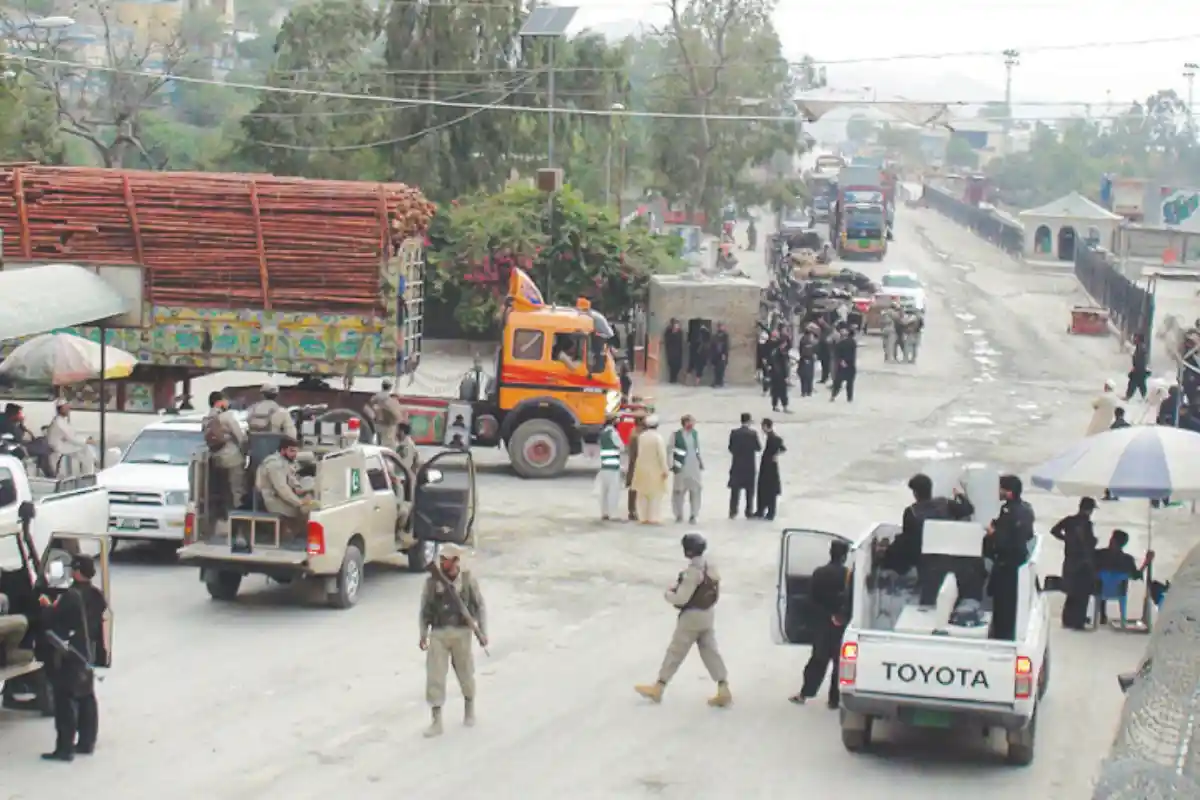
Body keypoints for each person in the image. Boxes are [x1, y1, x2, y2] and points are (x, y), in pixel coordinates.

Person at [634, 533, 731, 707]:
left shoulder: (692, 573)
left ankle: (659, 686)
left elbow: (681, 598)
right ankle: (723, 687)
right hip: (708, 614)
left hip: (691, 617)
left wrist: (668, 594)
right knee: (710, 651)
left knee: (676, 651)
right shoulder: (711, 567)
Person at [39, 554, 107, 762]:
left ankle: (65, 748)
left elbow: (56, 621)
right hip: (88, 652)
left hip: (69, 654)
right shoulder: (96, 595)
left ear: (76, 571)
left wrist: (46, 607)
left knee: (65, 700)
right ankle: (87, 742)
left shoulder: (71, 596)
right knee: (86, 697)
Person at [419, 544, 487, 737]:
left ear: (455, 561)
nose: (442, 562)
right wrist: (423, 634)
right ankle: (436, 721)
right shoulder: (432, 582)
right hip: (439, 632)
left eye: (446, 559)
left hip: (462, 633)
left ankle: (469, 708)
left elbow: (479, 606)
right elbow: (424, 610)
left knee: (465, 673)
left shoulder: (467, 580)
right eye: (441, 559)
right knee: (435, 677)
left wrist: (482, 631)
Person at [790, 540, 850, 708]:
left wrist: (823, 616)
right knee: (840, 663)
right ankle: (834, 700)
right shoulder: (848, 575)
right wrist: (840, 616)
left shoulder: (819, 573)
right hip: (841, 625)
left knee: (818, 660)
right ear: (845, 556)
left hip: (822, 624)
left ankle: (804, 694)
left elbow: (811, 599)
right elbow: (850, 600)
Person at [883, 473, 975, 575]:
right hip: (946, 552)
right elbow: (968, 509)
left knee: (897, 545)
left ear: (915, 493)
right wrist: (959, 495)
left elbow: (908, 539)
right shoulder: (946, 503)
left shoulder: (911, 512)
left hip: (921, 556)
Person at [985, 475, 1035, 640]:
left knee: (1003, 607)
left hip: (1006, 566)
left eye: (1001, 488)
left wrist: (992, 534)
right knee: (1014, 606)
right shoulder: (1027, 509)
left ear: (1009, 492)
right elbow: (1028, 535)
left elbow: (1002, 542)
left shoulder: (1008, 512)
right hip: (1019, 563)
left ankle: (1001, 638)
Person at [1050, 497, 1098, 630]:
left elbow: (1054, 530)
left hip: (1070, 560)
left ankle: (1067, 619)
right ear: (1089, 510)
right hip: (1083, 563)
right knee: (1083, 593)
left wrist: (1066, 539)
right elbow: (1089, 544)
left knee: (1071, 591)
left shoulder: (1069, 520)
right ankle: (1078, 621)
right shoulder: (1087, 524)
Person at [1093, 530, 1153, 626]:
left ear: (1112, 540)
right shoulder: (1127, 560)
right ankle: (1117, 617)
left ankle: (1101, 614)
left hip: (1100, 590)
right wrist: (1146, 562)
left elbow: (1092, 570)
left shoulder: (1099, 554)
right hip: (1119, 592)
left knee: (1100, 579)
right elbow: (1136, 576)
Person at [203, 391, 249, 513]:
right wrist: (245, 451)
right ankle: (237, 514)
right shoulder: (227, 416)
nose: (227, 402)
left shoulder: (207, 417)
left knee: (223, 488)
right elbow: (240, 437)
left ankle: (222, 511)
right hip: (232, 457)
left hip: (216, 457)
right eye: (225, 400)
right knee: (237, 487)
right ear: (219, 402)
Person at [255, 436, 314, 532]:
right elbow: (282, 489)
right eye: (292, 451)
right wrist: (299, 502)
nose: (295, 454)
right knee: (307, 509)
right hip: (274, 501)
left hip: (281, 498)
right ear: (283, 450)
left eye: (296, 451)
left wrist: (300, 489)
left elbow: (291, 480)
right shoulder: (275, 464)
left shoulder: (283, 461)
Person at [631, 415, 669, 525]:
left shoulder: (641, 436)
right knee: (654, 495)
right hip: (654, 470)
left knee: (642, 495)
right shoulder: (658, 438)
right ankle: (653, 517)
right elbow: (661, 455)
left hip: (641, 468)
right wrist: (665, 469)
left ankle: (643, 517)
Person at [46, 399, 95, 477]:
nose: (68, 410)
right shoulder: (59, 422)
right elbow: (71, 438)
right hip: (59, 446)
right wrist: (86, 441)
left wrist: (85, 439)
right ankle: (89, 473)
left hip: (63, 443)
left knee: (83, 450)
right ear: (61, 409)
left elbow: (72, 434)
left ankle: (89, 469)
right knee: (85, 449)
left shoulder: (62, 420)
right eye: (66, 408)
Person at [670, 415, 703, 524]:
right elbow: (669, 450)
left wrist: (700, 462)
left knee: (695, 491)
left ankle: (694, 514)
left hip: (693, 467)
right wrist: (671, 464)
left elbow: (697, 448)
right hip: (681, 467)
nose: (693, 424)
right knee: (679, 491)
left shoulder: (695, 434)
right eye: (691, 422)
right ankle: (679, 514)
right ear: (685, 423)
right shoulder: (676, 435)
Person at [727, 413, 761, 519]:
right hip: (749, 466)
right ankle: (748, 511)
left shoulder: (734, 433)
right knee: (749, 491)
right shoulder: (753, 434)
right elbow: (758, 448)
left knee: (735, 491)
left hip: (737, 465)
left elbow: (730, 448)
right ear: (749, 421)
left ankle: (733, 511)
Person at [754, 418, 786, 521]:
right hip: (769, 466)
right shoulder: (771, 437)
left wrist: (776, 455)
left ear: (766, 426)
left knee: (768, 488)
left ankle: (766, 511)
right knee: (767, 488)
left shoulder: (773, 438)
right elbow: (783, 448)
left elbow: (782, 448)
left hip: (769, 468)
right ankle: (764, 510)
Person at [597, 414, 624, 521]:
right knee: (613, 491)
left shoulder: (603, 433)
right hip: (613, 466)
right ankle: (612, 514)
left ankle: (604, 513)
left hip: (604, 465)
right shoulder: (613, 433)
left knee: (604, 491)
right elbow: (621, 446)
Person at [625, 415, 646, 522]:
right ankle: (633, 511)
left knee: (634, 488)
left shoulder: (635, 432)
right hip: (636, 464)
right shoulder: (637, 435)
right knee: (635, 488)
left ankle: (633, 510)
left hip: (634, 463)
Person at [830, 327, 858, 402]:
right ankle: (847, 397)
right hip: (847, 364)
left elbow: (837, 354)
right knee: (845, 382)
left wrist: (841, 361)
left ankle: (836, 396)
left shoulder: (845, 343)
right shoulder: (850, 342)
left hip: (846, 364)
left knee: (841, 382)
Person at [1124, 334, 1150, 401]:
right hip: (1140, 369)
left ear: (1138, 339)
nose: (1134, 339)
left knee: (1133, 383)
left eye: (1135, 338)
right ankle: (1144, 397)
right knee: (1141, 384)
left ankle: (1128, 396)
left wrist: (1136, 368)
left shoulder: (1141, 348)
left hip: (1139, 369)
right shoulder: (1140, 347)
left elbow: (1139, 359)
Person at [797, 324, 818, 397]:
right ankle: (808, 391)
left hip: (805, 358)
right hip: (808, 358)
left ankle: (804, 391)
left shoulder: (803, 339)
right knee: (809, 375)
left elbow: (800, 349)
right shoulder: (810, 340)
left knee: (804, 376)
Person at [664, 319, 684, 384]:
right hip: (671, 351)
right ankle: (672, 379)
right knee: (671, 365)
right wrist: (673, 333)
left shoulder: (680, 332)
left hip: (678, 351)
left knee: (678, 366)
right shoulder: (668, 331)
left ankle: (674, 377)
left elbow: (680, 341)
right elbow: (667, 340)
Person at [710, 323, 730, 388]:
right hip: (715, 354)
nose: (723, 328)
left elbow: (726, 346)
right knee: (716, 369)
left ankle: (720, 381)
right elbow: (712, 345)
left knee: (721, 368)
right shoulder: (715, 336)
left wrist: (724, 354)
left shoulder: (725, 336)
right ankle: (716, 382)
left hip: (722, 354)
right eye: (721, 327)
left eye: (723, 327)